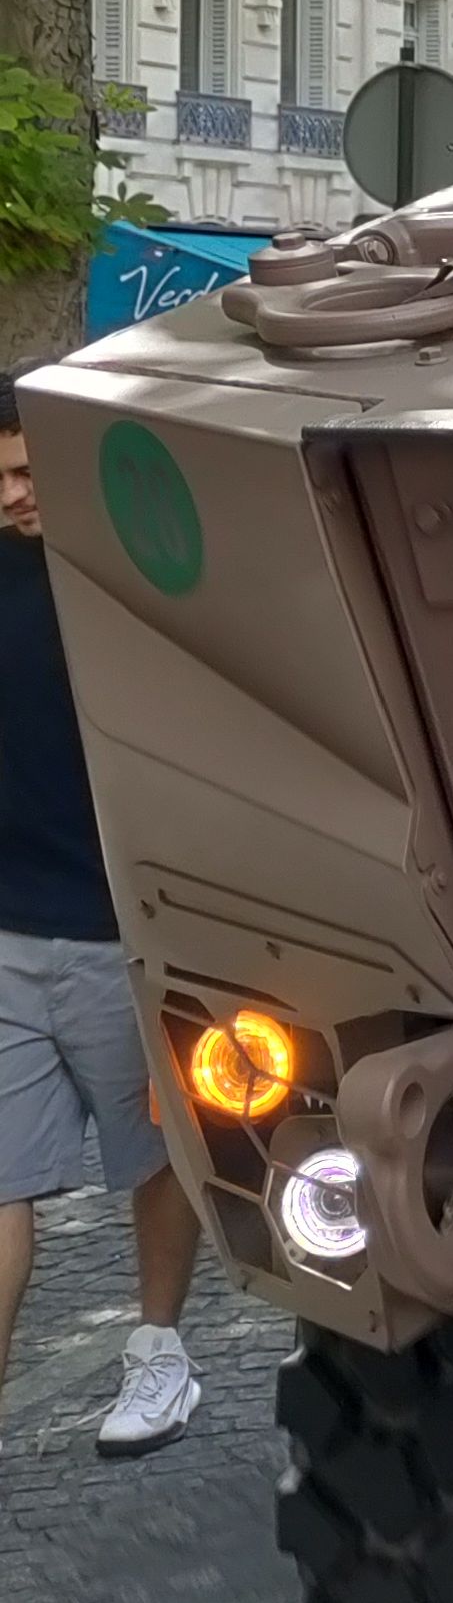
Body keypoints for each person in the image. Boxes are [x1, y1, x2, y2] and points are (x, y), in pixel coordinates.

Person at [0, 373, 203, 1452]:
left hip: (129, 937)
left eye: (27, 472)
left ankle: (159, 1350)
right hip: (8, 938)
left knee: (157, 1159)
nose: (13, 499)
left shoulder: (128, 578)